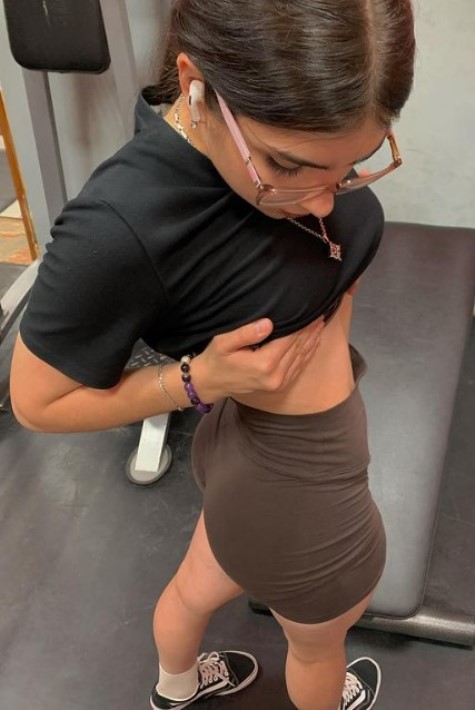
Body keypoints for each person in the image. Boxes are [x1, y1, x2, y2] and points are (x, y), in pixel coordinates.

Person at [10, 1, 416, 708]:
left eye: (351, 168)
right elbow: (36, 402)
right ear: (195, 83)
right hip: (303, 488)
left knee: (198, 584)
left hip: (241, 463)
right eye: (288, 166)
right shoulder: (121, 228)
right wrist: (196, 380)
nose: (325, 203)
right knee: (319, 647)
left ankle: (173, 690)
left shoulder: (271, 159)